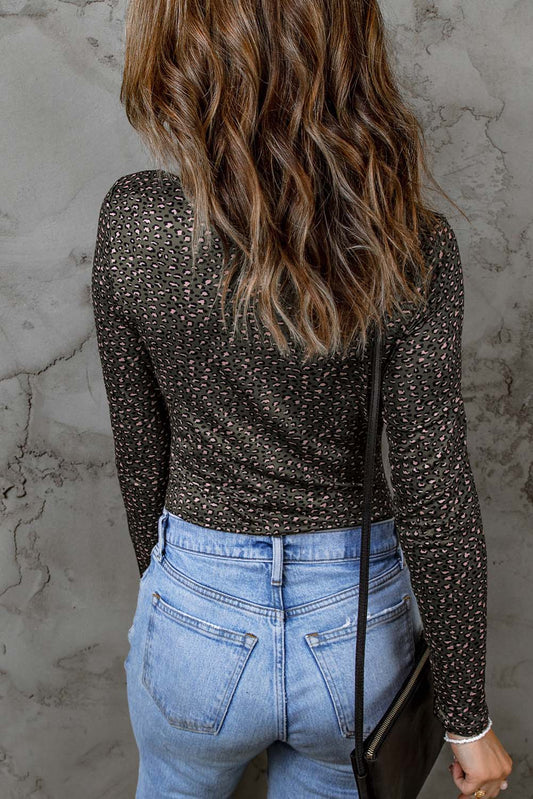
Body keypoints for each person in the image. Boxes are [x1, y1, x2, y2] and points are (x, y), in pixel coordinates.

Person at [91, 0, 513, 796]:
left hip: (196, 611)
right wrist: (466, 719)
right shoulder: (409, 243)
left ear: (181, 50)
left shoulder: (133, 220)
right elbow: (434, 493)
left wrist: (182, 601)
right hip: (352, 634)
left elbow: (141, 455)